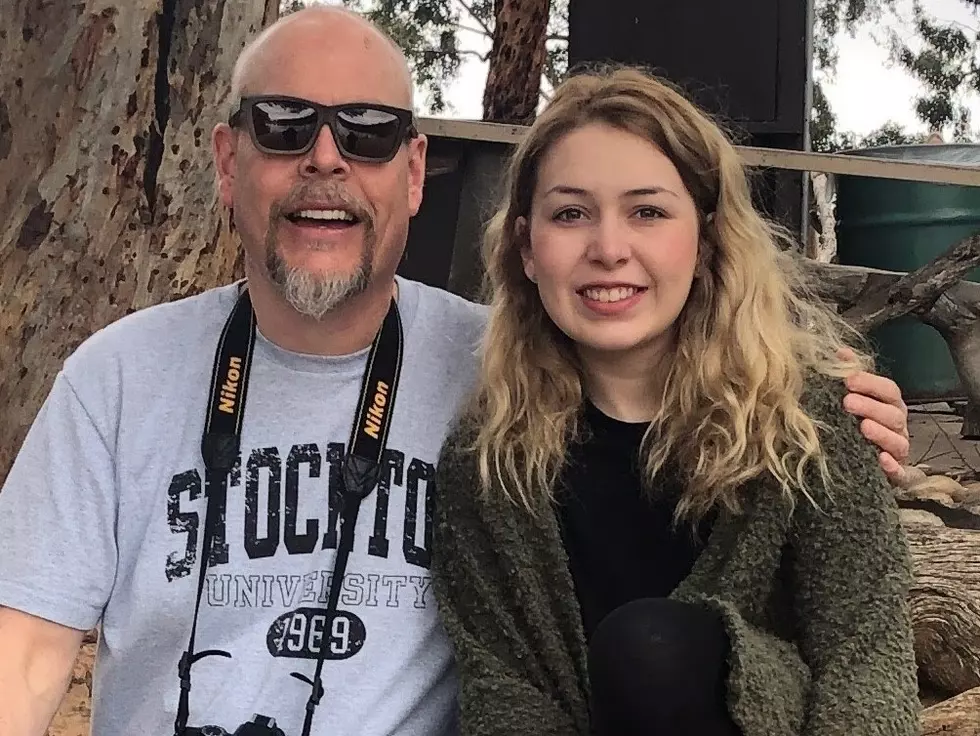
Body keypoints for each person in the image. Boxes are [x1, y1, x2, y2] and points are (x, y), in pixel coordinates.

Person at [0, 8, 910, 736]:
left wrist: (823, 397)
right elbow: (26, 655)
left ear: (415, 170)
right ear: (229, 160)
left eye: (367, 133)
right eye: (284, 127)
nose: (325, 160)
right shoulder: (116, 378)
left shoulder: (506, 376)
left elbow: (851, 645)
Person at [431, 67, 920, 736]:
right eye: (571, 213)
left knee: (651, 646)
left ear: (706, 240)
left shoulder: (808, 418)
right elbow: (505, 692)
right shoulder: (487, 461)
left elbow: (865, 659)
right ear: (526, 247)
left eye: (648, 211)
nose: (608, 249)